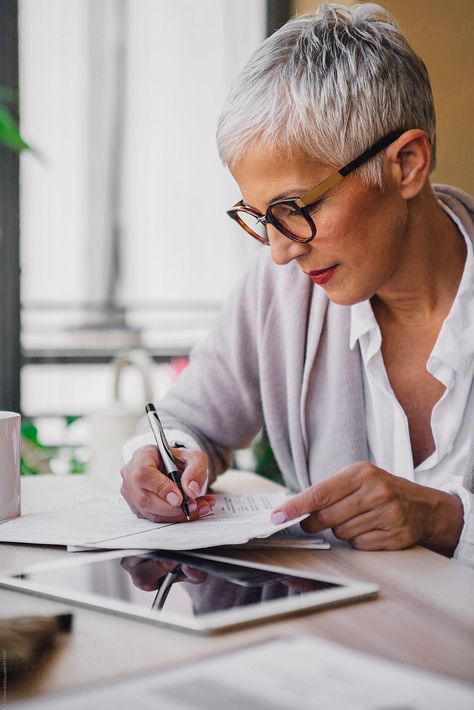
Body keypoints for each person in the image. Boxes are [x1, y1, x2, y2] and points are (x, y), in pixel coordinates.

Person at [120, 2, 474, 566]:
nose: (282, 251)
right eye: (260, 216)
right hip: (340, 646)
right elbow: (188, 421)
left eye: (292, 207)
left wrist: (443, 518)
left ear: (406, 164)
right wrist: (164, 457)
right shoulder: (285, 292)